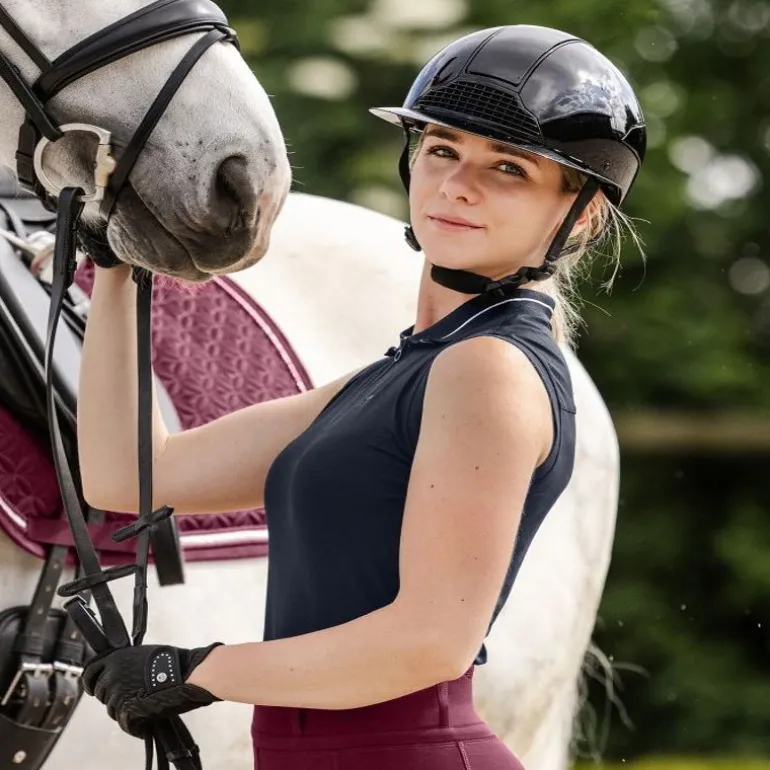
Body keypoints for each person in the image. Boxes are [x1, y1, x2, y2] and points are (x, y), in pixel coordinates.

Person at [77, 23, 646, 770]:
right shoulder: (404, 373)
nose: (457, 185)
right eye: (442, 150)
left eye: (509, 169)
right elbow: (130, 474)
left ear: (583, 215)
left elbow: (430, 641)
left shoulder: (489, 370)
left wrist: (193, 670)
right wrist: (116, 271)